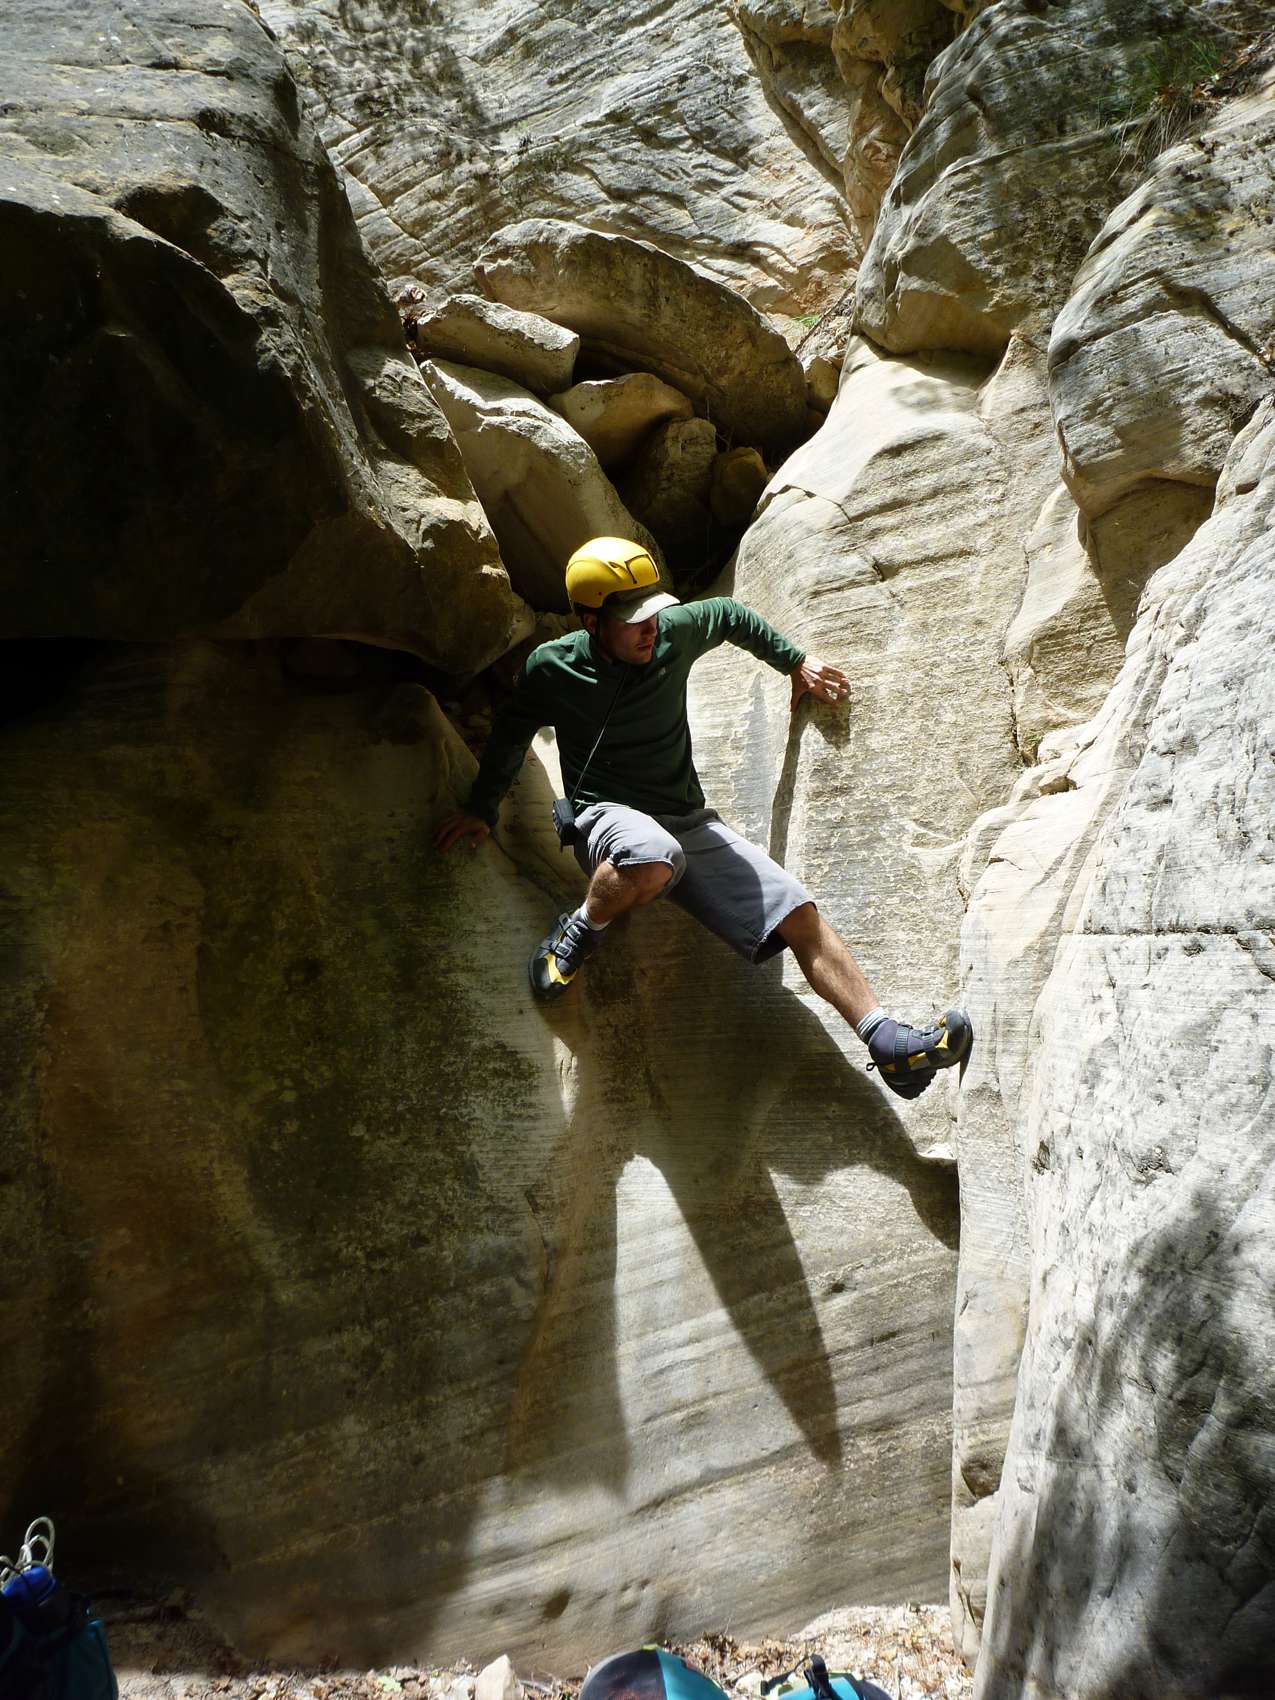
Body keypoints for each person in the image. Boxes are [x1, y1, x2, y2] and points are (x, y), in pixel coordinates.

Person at [434, 537, 971, 1099]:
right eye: (633, 621)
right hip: (607, 816)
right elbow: (511, 731)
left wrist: (795, 662)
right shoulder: (553, 668)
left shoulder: (674, 632)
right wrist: (481, 808)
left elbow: (731, 615)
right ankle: (579, 931)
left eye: (653, 613)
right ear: (592, 622)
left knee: (797, 911)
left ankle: (887, 1043)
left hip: (688, 820)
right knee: (654, 855)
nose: (650, 629)